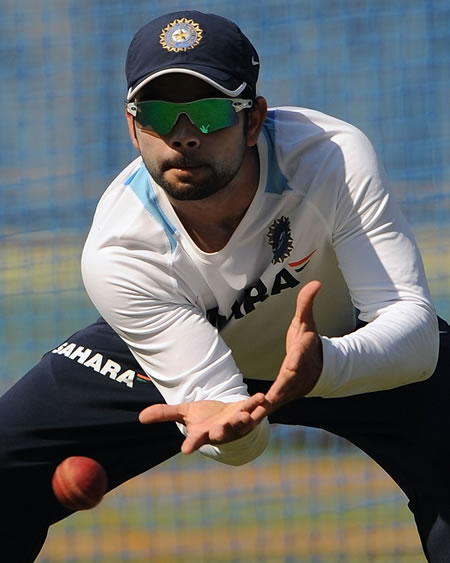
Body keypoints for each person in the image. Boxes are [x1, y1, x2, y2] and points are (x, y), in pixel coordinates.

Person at [0, 9, 449, 562]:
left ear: (254, 119)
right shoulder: (120, 251)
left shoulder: (329, 155)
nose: (183, 136)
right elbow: (236, 438)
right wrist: (230, 430)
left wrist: (325, 365)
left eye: (210, 112)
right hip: (175, 347)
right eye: (159, 114)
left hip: (342, 342)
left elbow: (414, 332)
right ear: (133, 125)